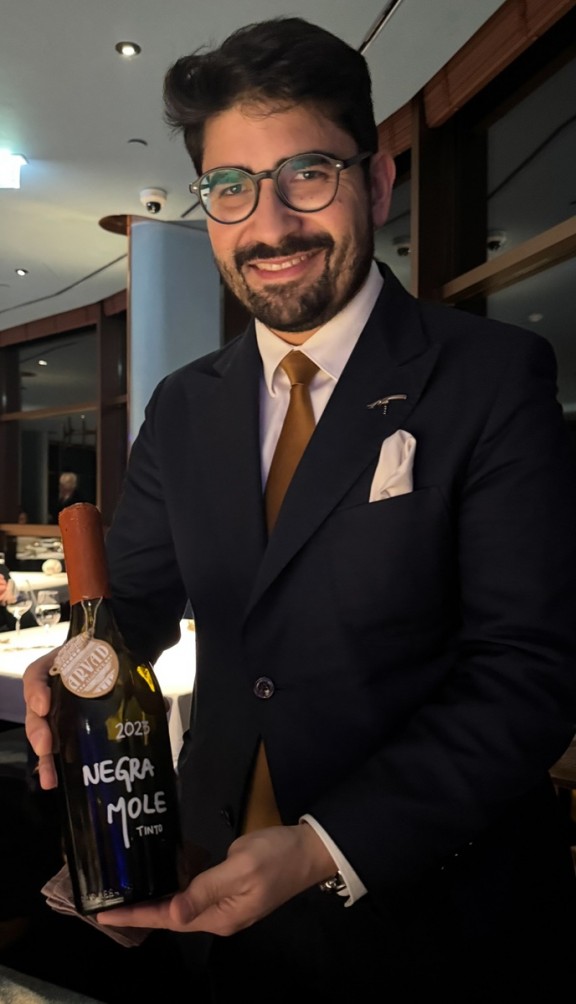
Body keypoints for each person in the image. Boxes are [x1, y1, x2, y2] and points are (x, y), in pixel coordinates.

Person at [23, 16, 576, 1002]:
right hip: (213, 899)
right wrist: (73, 671)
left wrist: (325, 844)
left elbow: (530, 672)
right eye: (231, 186)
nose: (270, 225)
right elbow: (134, 604)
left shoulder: (491, 377)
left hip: (435, 918)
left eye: (307, 174)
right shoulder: (183, 405)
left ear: (378, 181)